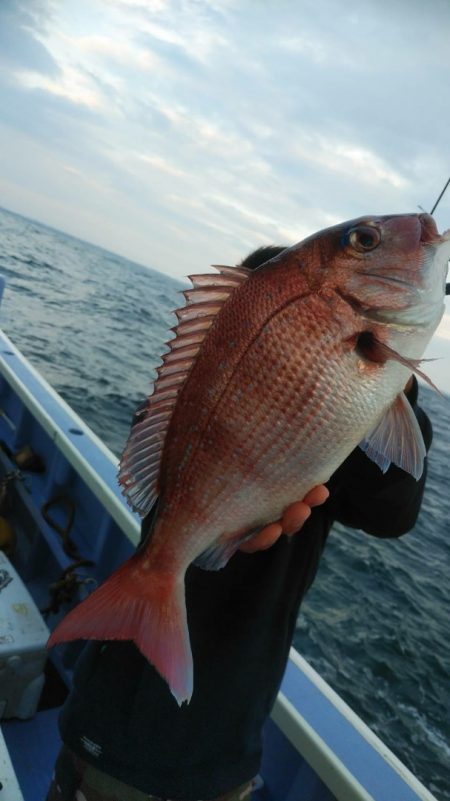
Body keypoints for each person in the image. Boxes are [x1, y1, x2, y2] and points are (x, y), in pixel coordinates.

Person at [47, 245, 432, 801]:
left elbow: (394, 510)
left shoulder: (344, 411)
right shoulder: (193, 410)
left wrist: (399, 379)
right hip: (114, 729)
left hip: (219, 744)